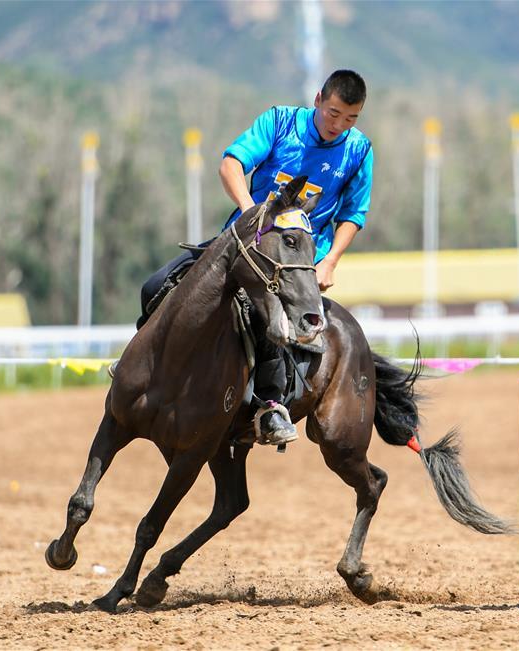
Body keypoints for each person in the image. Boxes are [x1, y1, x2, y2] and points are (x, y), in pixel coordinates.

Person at [134, 69, 374, 446]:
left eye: (350, 118)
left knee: (269, 323)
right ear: (317, 100)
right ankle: (142, 370)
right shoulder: (278, 122)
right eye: (333, 113)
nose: (339, 124)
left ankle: (272, 407)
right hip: (241, 244)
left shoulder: (359, 150)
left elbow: (354, 214)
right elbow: (231, 163)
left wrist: (329, 262)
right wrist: (250, 213)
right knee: (155, 287)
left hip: (294, 264)